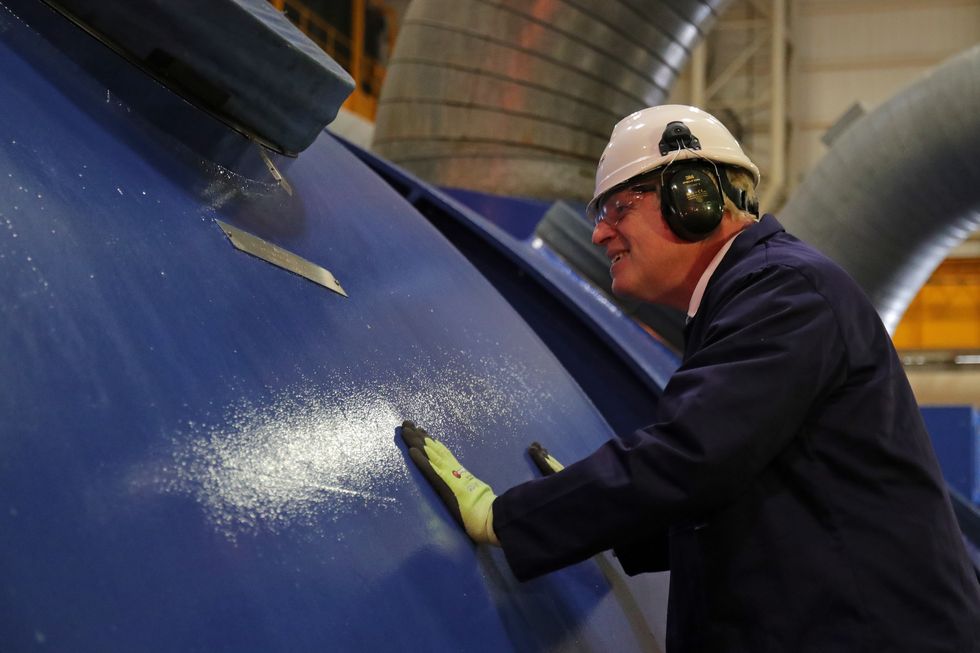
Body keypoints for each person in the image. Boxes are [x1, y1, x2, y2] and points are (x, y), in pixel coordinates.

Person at [399, 105, 980, 652]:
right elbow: (741, 496)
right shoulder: (750, 299)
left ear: (692, 196)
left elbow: (692, 458)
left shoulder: (785, 293)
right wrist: (596, 514)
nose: (599, 234)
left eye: (617, 208)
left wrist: (511, 518)